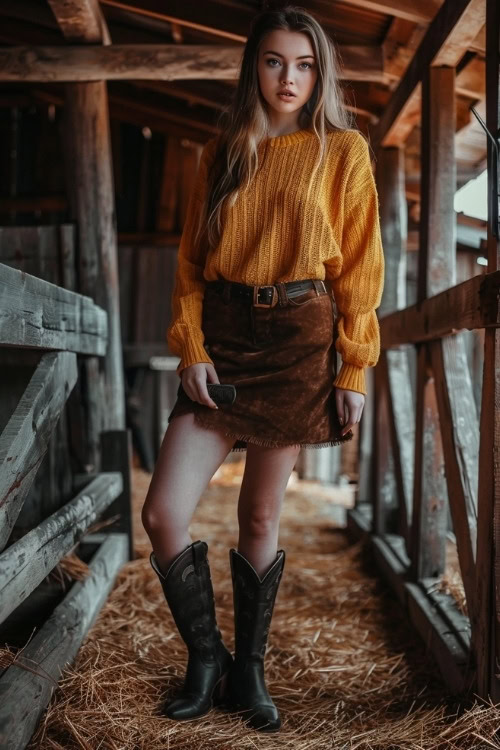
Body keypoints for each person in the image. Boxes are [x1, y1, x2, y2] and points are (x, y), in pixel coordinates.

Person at [142, 4, 385, 734]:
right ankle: (206, 658)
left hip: (298, 337)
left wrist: (354, 370)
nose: (290, 78)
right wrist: (192, 347)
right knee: (162, 514)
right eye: (276, 61)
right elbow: (189, 266)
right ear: (254, 65)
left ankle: (249, 671)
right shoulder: (219, 152)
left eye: (305, 65)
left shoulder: (342, 151)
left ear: (321, 74)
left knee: (260, 514)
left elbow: (363, 269)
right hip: (225, 333)